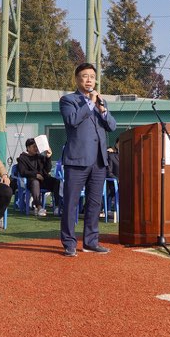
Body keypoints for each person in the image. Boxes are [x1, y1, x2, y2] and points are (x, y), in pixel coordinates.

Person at [58, 63, 117, 257]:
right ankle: (69, 243)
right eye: (85, 76)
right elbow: (72, 121)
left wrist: (103, 111)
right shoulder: (68, 100)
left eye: (92, 76)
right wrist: (89, 103)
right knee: (71, 203)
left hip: (99, 160)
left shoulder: (101, 101)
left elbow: (112, 127)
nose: (89, 79)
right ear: (77, 79)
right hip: (77, 160)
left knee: (94, 203)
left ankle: (91, 241)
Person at [17, 137, 60, 217]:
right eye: (34, 146)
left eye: (37, 146)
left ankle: (57, 207)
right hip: (32, 181)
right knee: (35, 182)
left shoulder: (40, 157)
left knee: (56, 182)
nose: (36, 148)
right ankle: (39, 207)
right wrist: (35, 175)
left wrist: (48, 157)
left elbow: (47, 169)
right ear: (28, 148)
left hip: (44, 180)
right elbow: (23, 172)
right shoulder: (22, 158)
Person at [105, 139, 119, 215]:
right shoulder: (111, 156)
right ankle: (110, 209)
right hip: (114, 183)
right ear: (116, 144)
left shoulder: (128, 155)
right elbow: (108, 172)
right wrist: (117, 180)